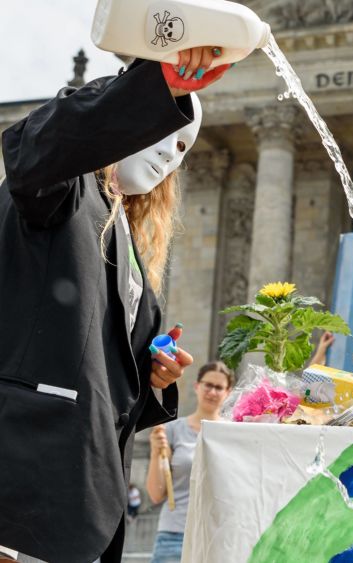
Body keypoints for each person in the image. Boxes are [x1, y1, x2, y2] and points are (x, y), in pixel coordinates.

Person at [0, 50, 230, 562]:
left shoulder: (125, 235)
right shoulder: (64, 185)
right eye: (164, 128)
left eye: (182, 146)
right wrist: (154, 87)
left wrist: (155, 375)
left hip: (81, 498)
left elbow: (103, 374)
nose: (170, 152)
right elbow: (36, 144)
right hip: (22, 487)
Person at [146, 361, 234, 563]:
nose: (212, 392)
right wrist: (154, 452)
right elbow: (155, 493)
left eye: (219, 387)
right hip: (175, 535)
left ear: (228, 392)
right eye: (208, 385)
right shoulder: (171, 430)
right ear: (197, 386)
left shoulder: (233, 433)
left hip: (219, 536)